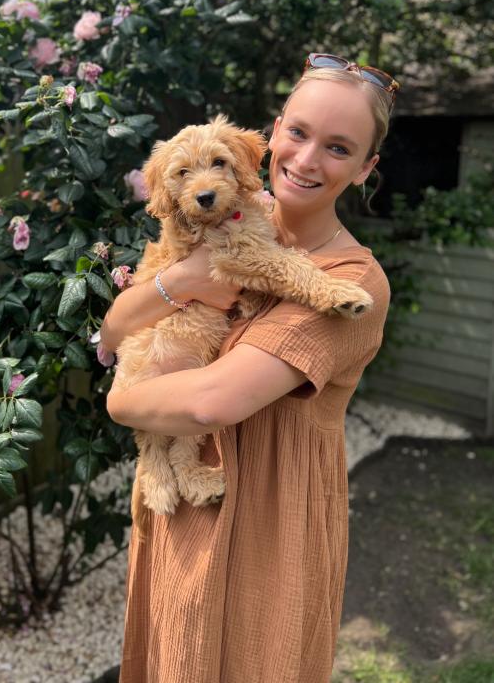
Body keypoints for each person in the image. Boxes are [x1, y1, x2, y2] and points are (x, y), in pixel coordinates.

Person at [102, 55, 398, 683]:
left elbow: (212, 402)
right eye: (299, 132)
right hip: (185, 504)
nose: (308, 159)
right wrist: (181, 279)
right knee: (173, 654)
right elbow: (111, 332)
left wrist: (119, 403)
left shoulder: (352, 280)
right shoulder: (220, 221)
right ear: (272, 133)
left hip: (271, 512)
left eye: (339, 147)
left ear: (366, 167)